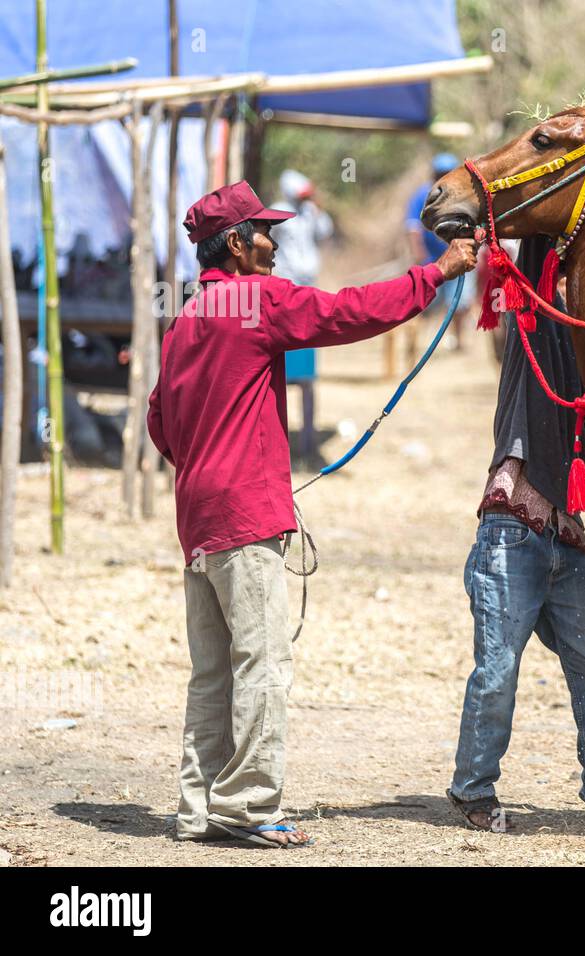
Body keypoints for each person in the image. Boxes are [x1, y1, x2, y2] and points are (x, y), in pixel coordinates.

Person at [147, 180, 478, 848]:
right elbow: (346, 313)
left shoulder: (185, 318)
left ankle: (200, 808)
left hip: (200, 520)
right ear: (237, 244)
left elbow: (161, 426)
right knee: (262, 666)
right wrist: (436, 273)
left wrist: (213, 458)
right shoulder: (257, 299)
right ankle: (247, 808)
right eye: (264, 233)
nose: (275, 243)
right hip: (245, 518)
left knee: (214, 673)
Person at [447, 237, 585, 832]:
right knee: (497, 670)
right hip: (511, 529)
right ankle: (473, 790)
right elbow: (535, 272)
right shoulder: (532, 324)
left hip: (565, 529)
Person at [270, 170, 334, 462]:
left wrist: (316, 205)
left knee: (307, 375)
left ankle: (307, 441)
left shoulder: (310, 213)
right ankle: (278, 440)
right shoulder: (277, 213)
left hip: (308, 293)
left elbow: (326, 231)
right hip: (285, 293)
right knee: (280, 372)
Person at [405, 154, 474, 355]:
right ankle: (416, 340)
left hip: (459, 257)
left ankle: (459, 341)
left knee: (459, 303)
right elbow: (412, 227)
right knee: (425, 303)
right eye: (440, 173)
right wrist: (418, 252)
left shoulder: (463, 194)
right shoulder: (422, 196)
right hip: (431, 261)